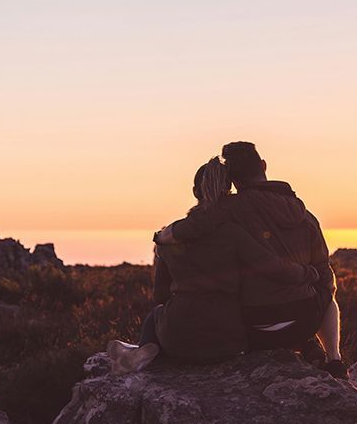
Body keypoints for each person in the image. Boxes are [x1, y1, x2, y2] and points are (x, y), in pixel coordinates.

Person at [108, 157, 320, 374]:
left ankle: (144, 351)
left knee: (156, 315)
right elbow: (272, 268)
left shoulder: (170, 238)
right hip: (227, 340)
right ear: (228, 192)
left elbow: (160, 295)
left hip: (178, 335)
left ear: (194, 191)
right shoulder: (234, 233)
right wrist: (308, 273)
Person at [155, 141, 347, 378]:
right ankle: (334, 358)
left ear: (232, 180)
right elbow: (324, 278)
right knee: (328, 286)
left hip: (253, 329)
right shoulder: (305, 216)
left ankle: (305, 345)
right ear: (264, 166)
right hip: (304, 320)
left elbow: (192, 227)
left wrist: (162, 235)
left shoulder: (228, 209)